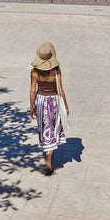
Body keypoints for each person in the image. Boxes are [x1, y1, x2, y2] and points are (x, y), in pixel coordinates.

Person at [30, 42, 69, 175]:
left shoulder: (34, 72)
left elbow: (32, 91)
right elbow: (60, 91)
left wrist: (32, 107)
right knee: (52, 125)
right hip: (53, 101)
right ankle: (49, 153)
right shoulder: (56, 72)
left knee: (45, 126)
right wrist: (66, 106)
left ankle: (47, 149)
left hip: (40, 101)